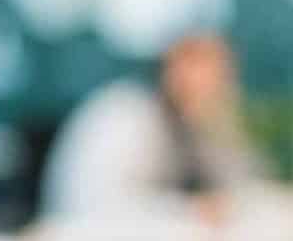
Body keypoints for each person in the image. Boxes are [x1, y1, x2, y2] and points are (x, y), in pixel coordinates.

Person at [39, 28, 263, 223]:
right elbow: (97, 209)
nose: (211, 80)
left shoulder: (195, 126)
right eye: (196, 64)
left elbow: (240, 190)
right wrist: (191, 212)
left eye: (222, 70)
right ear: (167, 67)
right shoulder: (124, 116)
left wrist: (220, 127)